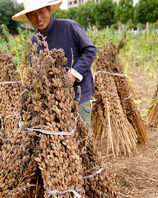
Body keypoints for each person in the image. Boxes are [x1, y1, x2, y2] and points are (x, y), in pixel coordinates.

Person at [12, 0, 97, 129]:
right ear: (28, 18)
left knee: (83, 138)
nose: (39, 18)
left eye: (41, 12)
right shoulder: (33, 42)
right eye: (33, 15)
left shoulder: (69, 27)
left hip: (78, 96)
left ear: (49, 10)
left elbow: (90, 50)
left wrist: (73, 74)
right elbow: (35, 72)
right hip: (52, 103)